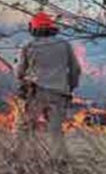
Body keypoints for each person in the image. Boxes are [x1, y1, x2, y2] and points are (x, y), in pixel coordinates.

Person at [15, 12, 82, 158]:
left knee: (24, 128)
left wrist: (21, 81)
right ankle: (59, 160)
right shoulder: (64, 45)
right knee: (55, 131)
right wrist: (70, 86)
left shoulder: (28, 45)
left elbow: (19, 71)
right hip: (59, 94)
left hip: (35, 94)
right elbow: (75, 69)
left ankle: (18, 158)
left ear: (33, 28)